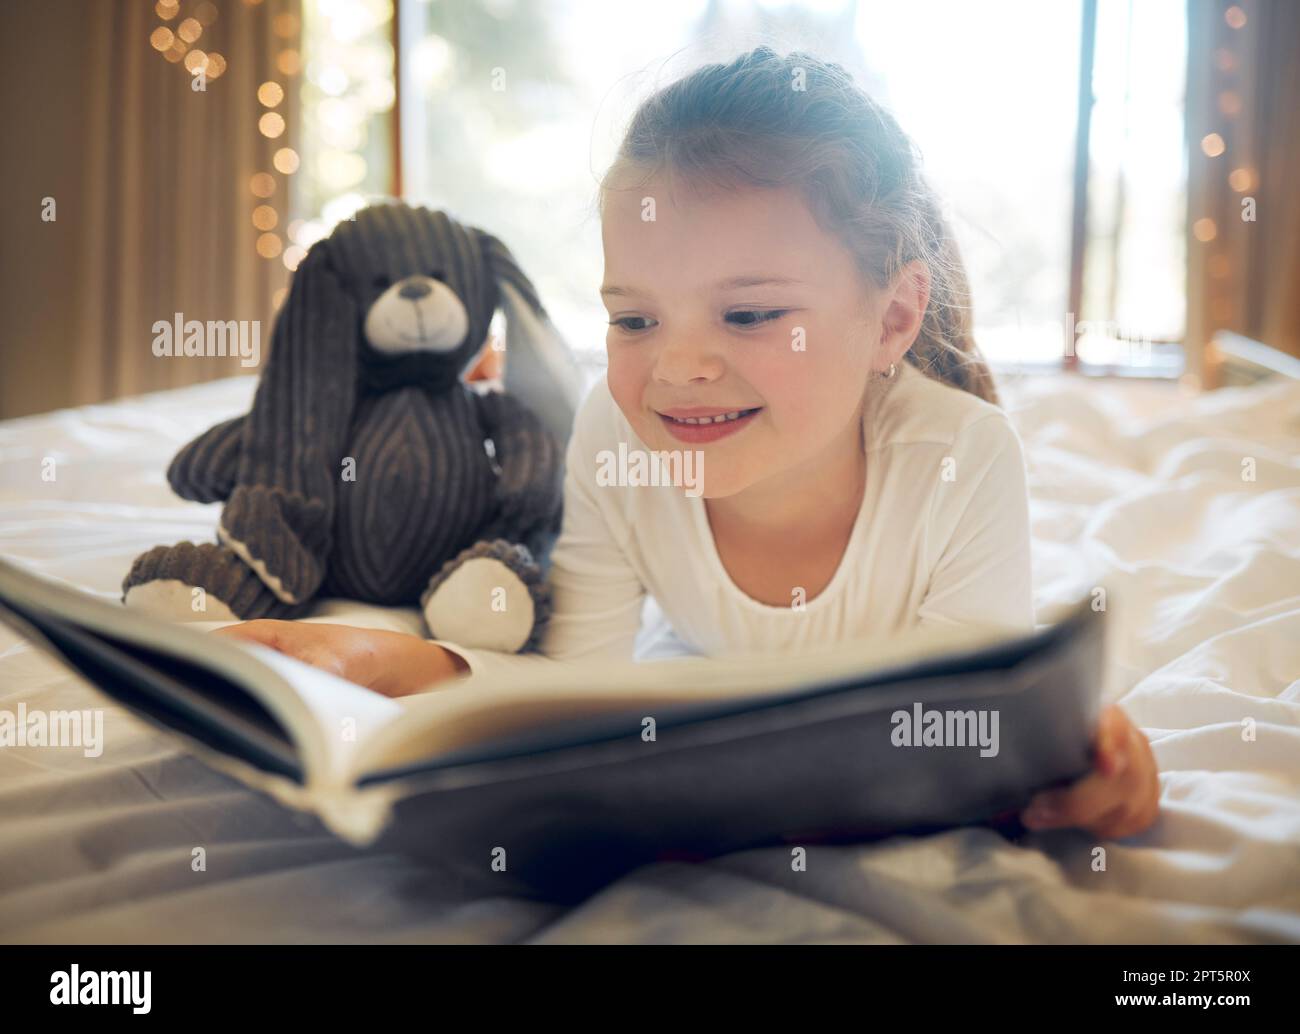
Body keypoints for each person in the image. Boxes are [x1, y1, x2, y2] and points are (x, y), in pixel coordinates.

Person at [216, 47, 1159, 839]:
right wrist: (386, 661)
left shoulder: (965, 459)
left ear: (893, 317)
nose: (677, 369)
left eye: (748, 313)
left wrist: (1070, 763)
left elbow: (955, 733)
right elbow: (578, 678)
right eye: (634, 320)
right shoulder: (614, 437)